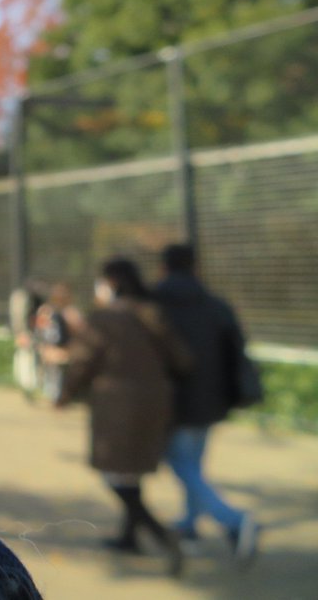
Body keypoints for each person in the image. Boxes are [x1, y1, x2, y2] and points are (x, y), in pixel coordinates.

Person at [58, 258, 192, 576]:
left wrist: (64, 394)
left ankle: (161, 534)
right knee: (132, 474)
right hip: (154, 404)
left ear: (112, 283)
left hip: (116, 407)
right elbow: (183, 359)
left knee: (113, 474)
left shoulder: (105, 318)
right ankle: (129, 537)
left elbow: (82, 361)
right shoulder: (152, 313)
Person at [153, 243, 260, 563]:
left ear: (163, 267)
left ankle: (234, 520)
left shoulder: (154, 304)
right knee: (193, 465)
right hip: (212, 401)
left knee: (181, 464)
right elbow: (236, 350)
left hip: (173, 402)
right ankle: (189, 525)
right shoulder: (216, 304)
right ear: (195, 267)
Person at [34, 281, 81, 402]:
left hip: (66, 351)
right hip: (50, 350)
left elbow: (79, 335)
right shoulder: (45, 311)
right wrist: (43, 348)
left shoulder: (71, 313)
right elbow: (40, 332)